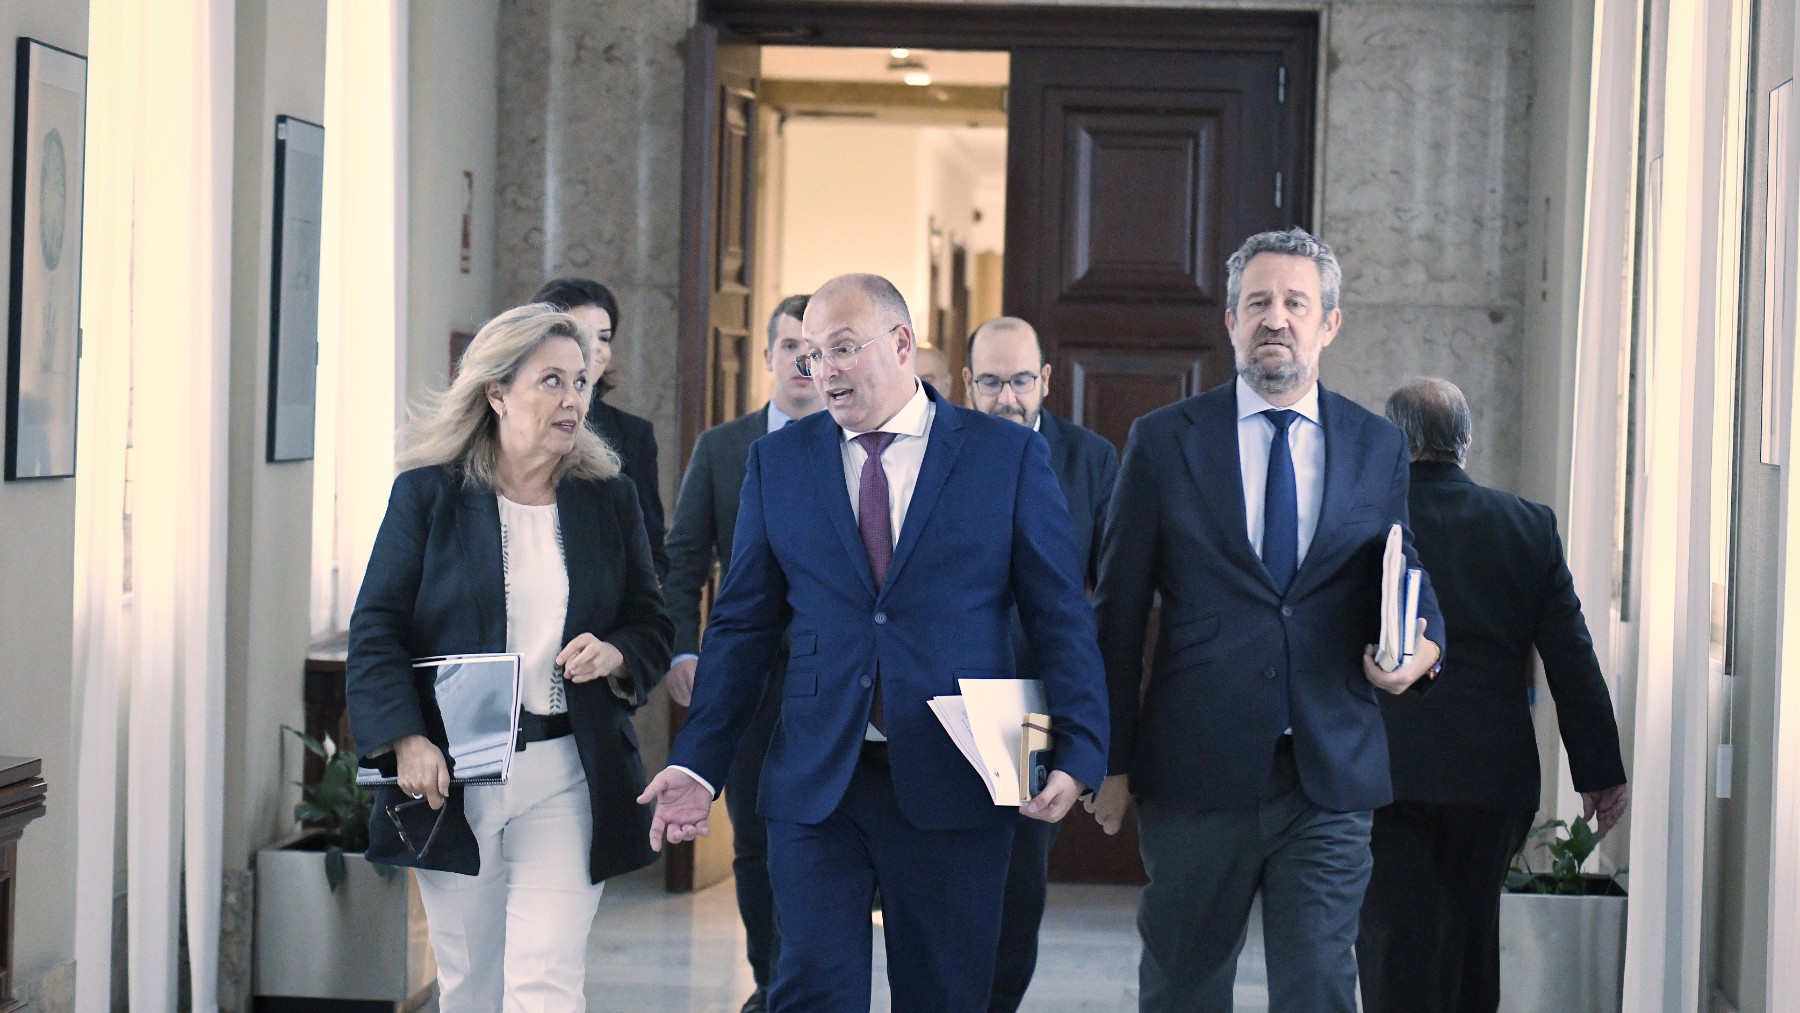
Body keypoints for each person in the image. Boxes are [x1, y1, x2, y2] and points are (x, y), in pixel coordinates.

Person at [638, 273, 1110, 1012]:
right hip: (818, 777)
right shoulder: (780, 462)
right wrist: (697, 762)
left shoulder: (1005, 456)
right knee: (810, 991)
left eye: (844, 348)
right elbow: (743, 624)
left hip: (962, 771)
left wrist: (1080, 748)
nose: (823, 369)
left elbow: (1060, 615)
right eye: (813, 355)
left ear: (902, 345)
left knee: (946, 994)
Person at [1090, 227, 1444, 1013]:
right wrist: (1109, 758)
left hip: (1329, 771)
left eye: (1295, 302)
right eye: (1258, 303)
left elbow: (1402, 568)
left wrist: (1425, 646)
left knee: (1319, 985)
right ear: (1230, 321)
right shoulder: (1162, 441)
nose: (1275, 318)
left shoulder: (1375, 444)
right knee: (1183, 985)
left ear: (1329, 323)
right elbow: (1116, 612)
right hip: (1195, 772)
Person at [345, 303, 674, 1012]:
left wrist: (617, 651)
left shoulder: (606, 499)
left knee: (547, 981)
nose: (572, 399)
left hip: (568, 770)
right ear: (496, 392)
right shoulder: (427, 496)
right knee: (472, 982)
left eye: (581, 381)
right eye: (550, 381)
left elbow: (653, 621)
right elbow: (375, 628)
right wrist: (405, 738)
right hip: (455, 774)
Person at [1356, 377, 1628, 1013]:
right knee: (1471, 940)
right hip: (1490, 778)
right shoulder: (1526, 526)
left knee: (1393, 940)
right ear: (1466, 444)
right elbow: (1572, 657)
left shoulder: (1366, 521)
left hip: (1383, 770)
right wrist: (1600, 772)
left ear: (1392, 443)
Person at [661, 293, 822, 1013]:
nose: (801, 361)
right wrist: (680, 651)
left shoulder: (856, 442)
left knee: (823, 836)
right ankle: (771, 980)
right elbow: (684, 560)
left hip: (829, 680)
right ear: (766, 358)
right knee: (755, 842)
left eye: (812, 349)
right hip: (753, 680)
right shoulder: (726, 449)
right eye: (788, 346)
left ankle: (812, 977)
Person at [962, 315, 1119, 1013]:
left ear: (1046, 381)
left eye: (1021, 380)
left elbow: (1110, 599)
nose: (1007, 397)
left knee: (1018, 884)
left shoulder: (1090, 460)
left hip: (1028, 707)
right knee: (943, 881)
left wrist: (1098, 743)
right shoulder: (938, 452)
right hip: (939, 699)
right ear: (967, 384)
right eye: (991, 381)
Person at [532, 277, 669, 581]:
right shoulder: (514, 426)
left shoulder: (633, 436)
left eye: (604, 338)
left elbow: (652, 551)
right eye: (581, 334)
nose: (596, 348)